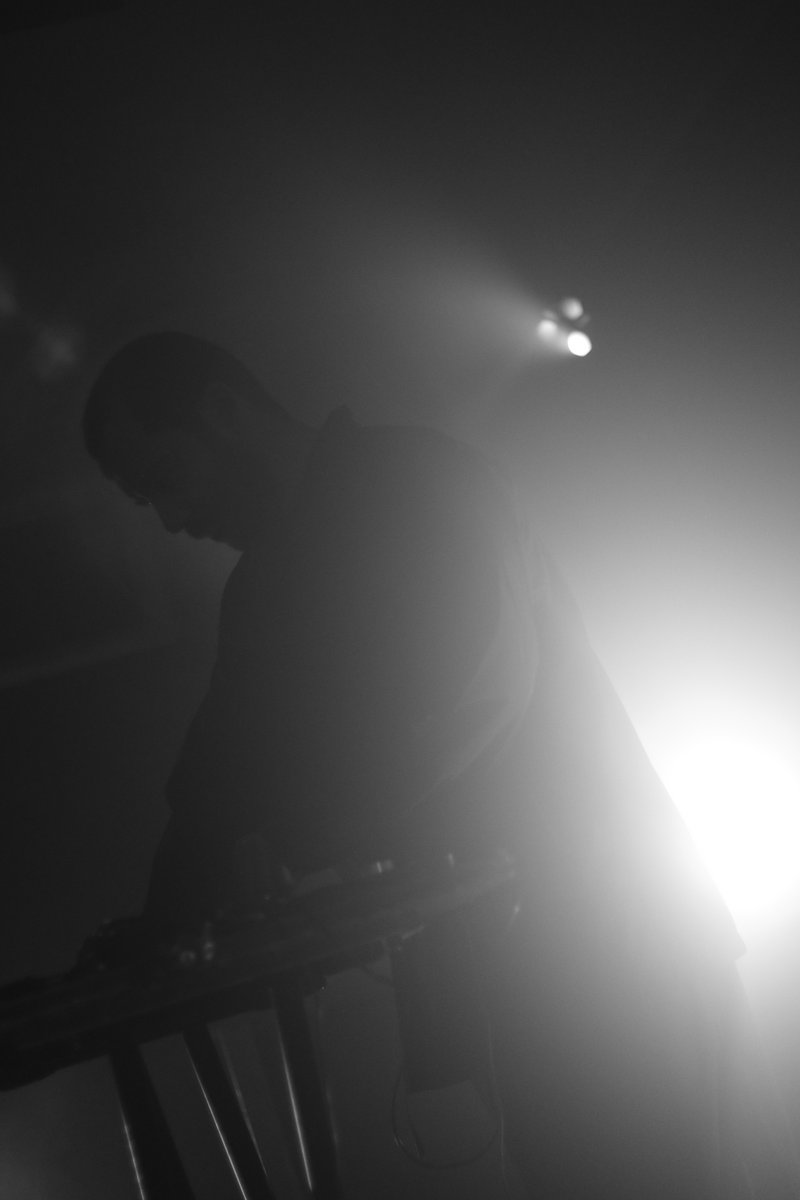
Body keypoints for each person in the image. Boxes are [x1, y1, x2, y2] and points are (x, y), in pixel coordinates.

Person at [82, 330, 797, 1198]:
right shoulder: (263, 590)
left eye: (162, 477)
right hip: (520, 966)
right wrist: (168, 911)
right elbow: (215, 781)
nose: (169, 516)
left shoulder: (418, 482)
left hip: (619, 942)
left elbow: (472, 694)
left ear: (222, 410)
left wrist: (290, 845)